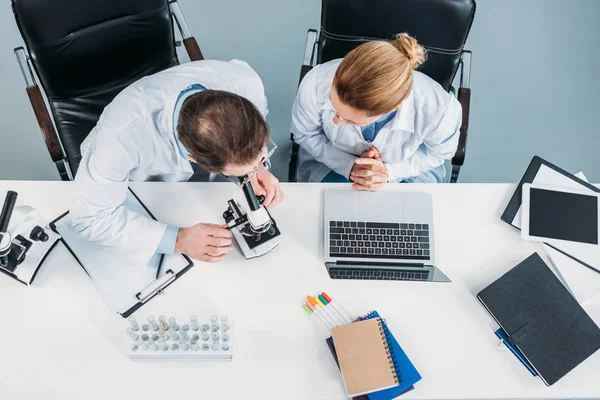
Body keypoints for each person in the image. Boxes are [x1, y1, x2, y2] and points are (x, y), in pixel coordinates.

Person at [70, 59, 284, 264]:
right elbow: (89, 220)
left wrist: (257, 168)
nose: (259, 163)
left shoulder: (246, 84)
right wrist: (177, 239)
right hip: (141, 186)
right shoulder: (120, 137)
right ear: (193, 159)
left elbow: (248, 146)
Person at [291, 33, 462, 190]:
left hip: (409, 170)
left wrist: (388, 172)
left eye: (351, 120)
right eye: (334, 109)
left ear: (395, 107)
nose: (335, 122)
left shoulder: (438, 109)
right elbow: (306, 134)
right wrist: (349, 166)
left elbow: (439, 153)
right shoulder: (315, 84)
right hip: (331, 161)